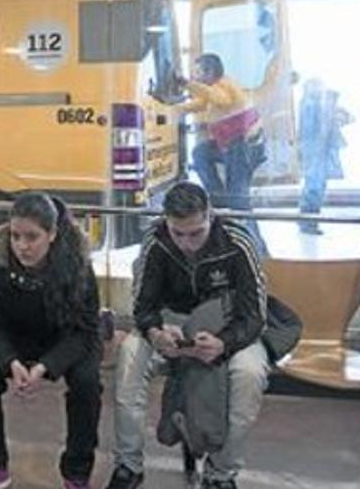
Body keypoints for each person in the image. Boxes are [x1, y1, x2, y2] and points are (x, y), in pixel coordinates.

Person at [107, 182, 268, 489]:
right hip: (170, 325)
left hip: (230, 327)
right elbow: (142, 306)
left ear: (211, 216)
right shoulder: (156, 242)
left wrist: (225, 343)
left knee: (248, 375)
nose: (187, 243)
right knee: (129, 359)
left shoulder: (238, 243)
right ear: (166, 221)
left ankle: (220, 474)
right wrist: (155, 332)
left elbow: (255, 316)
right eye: (178, 233)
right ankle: (128, 465)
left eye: (196, 233)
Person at [0, 192, 101, 489]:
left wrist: (45, 367)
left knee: (87, 384)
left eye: (32, 237)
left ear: (51, 234)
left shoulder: (77, 266)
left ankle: (76, 473)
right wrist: (10, 360)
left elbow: (85, 330)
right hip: (18, 336)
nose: (22, 246)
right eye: (16, 236)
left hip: (68, 337)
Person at [176, 53, 264, 212]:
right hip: (232, 144)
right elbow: (201, 103)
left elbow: (220, 99)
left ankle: (244, 231)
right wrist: (175, 109)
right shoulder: (213, 89)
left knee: (238, 197)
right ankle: (219, 199)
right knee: (200, 153)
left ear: (209, 73)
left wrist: (188, 84)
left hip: (244, 145)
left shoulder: (223, 86)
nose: (194, 76)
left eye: (197, 72)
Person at [297, 79, 351, 234]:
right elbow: (315, 129)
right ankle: (308, 221)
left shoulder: (313, 103)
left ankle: (308, 220)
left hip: (317, 148)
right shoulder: (311, 104)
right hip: (316, 149)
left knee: (316, 184)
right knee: (314, 185)